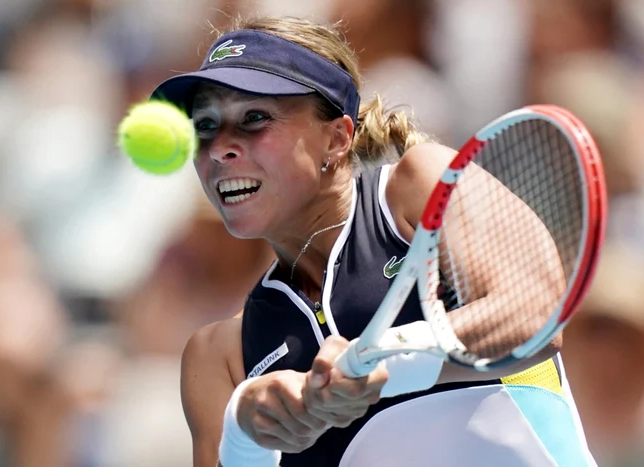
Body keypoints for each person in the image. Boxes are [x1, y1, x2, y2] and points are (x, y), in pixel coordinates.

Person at [150, 15, 596, 467]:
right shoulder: (218, 356)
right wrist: (245, 438)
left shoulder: (419, 186)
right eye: (205, 126)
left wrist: (384, 363)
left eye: (254, 119)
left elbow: (536, 315)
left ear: (337, 138)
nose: (220, 148)